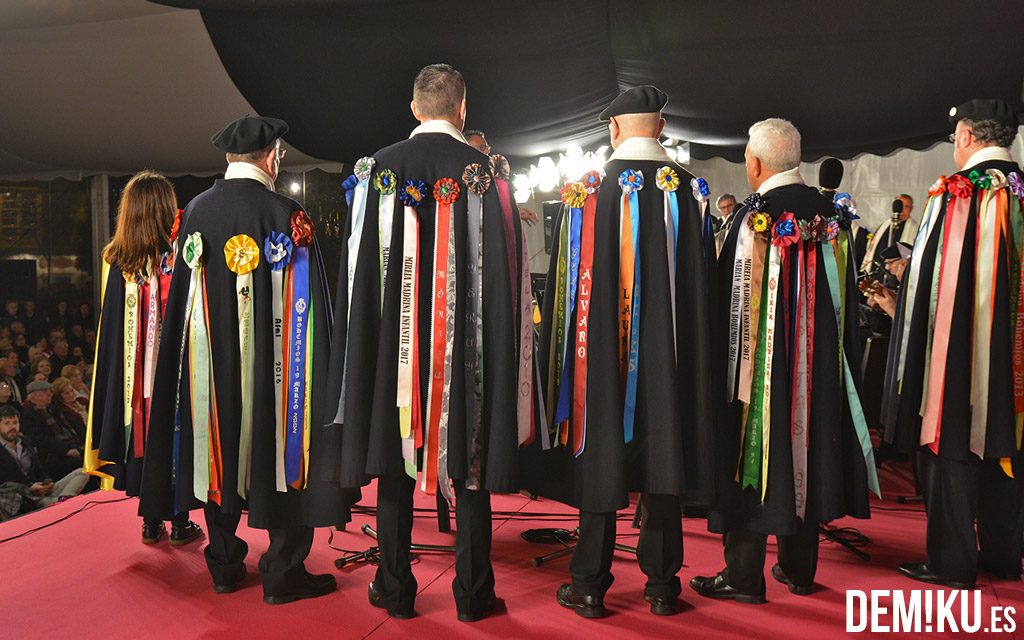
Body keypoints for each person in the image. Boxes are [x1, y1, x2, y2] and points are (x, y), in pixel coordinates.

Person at [324, 64, 524, 622]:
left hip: (396, 354)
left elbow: (357, 280)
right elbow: (506, 277)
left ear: (414, 109)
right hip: (470, 357)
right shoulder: (488, 174)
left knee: (395, 464)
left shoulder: (377, 171)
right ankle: (473, 594)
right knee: (472, 467)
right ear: (464, 108)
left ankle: (394, 588)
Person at [138, 117, 350, 603]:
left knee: (216, 452)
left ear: (228, 159)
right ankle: (282, 571)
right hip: (277, 373)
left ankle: (224, 565)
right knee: (284, 446)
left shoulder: (193, 213)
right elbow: (311, 309)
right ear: (273, 156)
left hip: (208, 368)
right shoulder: (286, 213)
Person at [536, 86, 715, 617]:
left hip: (600, 360)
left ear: (613, 129)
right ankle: (662, 585)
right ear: (660, 126)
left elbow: (567, 294)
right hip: (673, 359)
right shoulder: (689, 190)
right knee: (664, 453)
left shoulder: (588, 191)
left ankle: (589, 583)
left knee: (600, 453)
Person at [690, 118, 874, 604]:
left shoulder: (752, 219)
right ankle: (799, 569)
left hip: (756, 372)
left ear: (753, 163)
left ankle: (743, 576)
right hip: (817, 375)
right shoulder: (831, 216)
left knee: (751, 448)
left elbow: (724, 309)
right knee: (804, 449)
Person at [882, 98, 1024, 588]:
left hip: (962, 356)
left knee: (951, 446)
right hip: (1018, 357)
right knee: (1010, 444)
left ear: (966, 136)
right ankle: (1006, 555)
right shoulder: (1022, 190)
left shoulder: (959, 192)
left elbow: (928, 291)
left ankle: (951, 561)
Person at [82, 170, 203, 547]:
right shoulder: (180, 257)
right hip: (175, 371)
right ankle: (180, 521)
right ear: (168, 208)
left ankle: (151, 523)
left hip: (133, 382)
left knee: (145, 437)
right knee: (175, 436)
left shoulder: (115, 260)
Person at [0, 405, 90, 518]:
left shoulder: (25, 442)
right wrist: (29, 488)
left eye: (15, 422)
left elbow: (39, 469)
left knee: (83, 471)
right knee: (48, 503)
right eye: (7, 423)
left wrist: (47, 480)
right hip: (23, 498)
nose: (12, 427)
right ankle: (63, 502)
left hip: (42, 489)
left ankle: (64, 498)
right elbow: (3, 484)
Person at [465, 128, 539, 226]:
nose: (487, 152)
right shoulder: (459, 177)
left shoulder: (492, 177)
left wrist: (516, 211)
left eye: (487, 148)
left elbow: (494, 207)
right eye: (482, 148)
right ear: (466, 149)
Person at [20, 380, 84, 479]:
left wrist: (74, 446)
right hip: (52, 457)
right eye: (46, 392)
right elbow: (42, 440)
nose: (50, 394)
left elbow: (65, 430)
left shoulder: (53, 410)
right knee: (81, 463)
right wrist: (65, 450)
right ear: (35, 396)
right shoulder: (29, 417)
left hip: (70, 448)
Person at [860, 194, 919, 271]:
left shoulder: (915, 229)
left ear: (911, 209)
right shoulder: (884, 226)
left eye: (906, 207)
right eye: (900, 206)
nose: (901, 210)